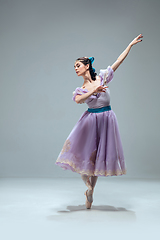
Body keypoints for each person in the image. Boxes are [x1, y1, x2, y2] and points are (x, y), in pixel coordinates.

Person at [55, 34, 143, 209]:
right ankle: (87, 186)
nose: (75, 68)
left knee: (96, 161)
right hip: (90, 121)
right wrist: (94, 90)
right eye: (74, 67)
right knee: (84, 157)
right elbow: (79, 100)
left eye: (77, 65)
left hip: (106, 119)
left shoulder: (102, 76)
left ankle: (90, 194)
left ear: (87, 66)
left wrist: (130, 45)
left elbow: (118, 61)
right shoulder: (81, 89)